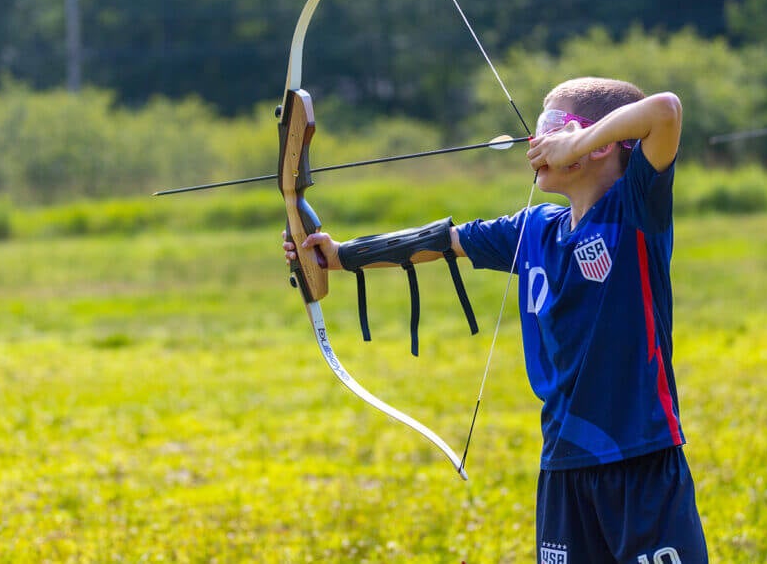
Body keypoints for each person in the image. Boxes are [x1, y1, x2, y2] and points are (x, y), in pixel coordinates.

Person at [284, 77, 708, 563]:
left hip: (643, 458)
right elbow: (444, 241)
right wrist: (337, 256)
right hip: (564, 466)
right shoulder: (534, 231)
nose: (537, 142)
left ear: (601, 143)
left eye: (551, 127)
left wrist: (574, 140)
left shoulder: (635, 209)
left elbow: (665, 111)